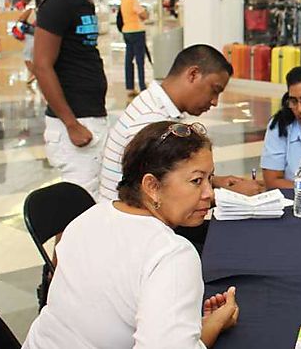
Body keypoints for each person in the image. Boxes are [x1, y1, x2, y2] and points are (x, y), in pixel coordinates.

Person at [23, 121, 239, 348]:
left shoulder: (88, 218)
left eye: (209, 178)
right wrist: (214, 325)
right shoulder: (171, 255)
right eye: (196, 181)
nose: (209, 193)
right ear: (152, 186)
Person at [100, 44, 263, 202]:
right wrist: (229, 196)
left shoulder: (153, 104)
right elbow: (160, 196)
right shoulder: (150, 120)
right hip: (132, 222)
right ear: (193, 74)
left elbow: (165, 176)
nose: (215, 102)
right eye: (214, 90)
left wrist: (215, 182)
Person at [34, 0, 117, 199]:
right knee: (77, 208)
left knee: (90, 203)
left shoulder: (84, 2)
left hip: (90, 116)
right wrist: (71, 124)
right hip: (74, 122)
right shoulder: (59, 3)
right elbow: (42, 65)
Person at [121, 0, 147, 96]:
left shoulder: (124, 1)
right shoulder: (133, 1)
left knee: (128, 60)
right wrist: (144, 13)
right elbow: (144, 15)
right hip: (137, 32)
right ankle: (142, 86)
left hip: (127, 32)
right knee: (140, 61)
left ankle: (129, 87)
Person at [18, 0, 44, 85]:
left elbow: (20, 19)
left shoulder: (31, 11)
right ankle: (33, 75)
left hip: (30, 37)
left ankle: (35, 74)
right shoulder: (46, 13)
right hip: (42, 38)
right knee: (35, 58)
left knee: (27, 57)